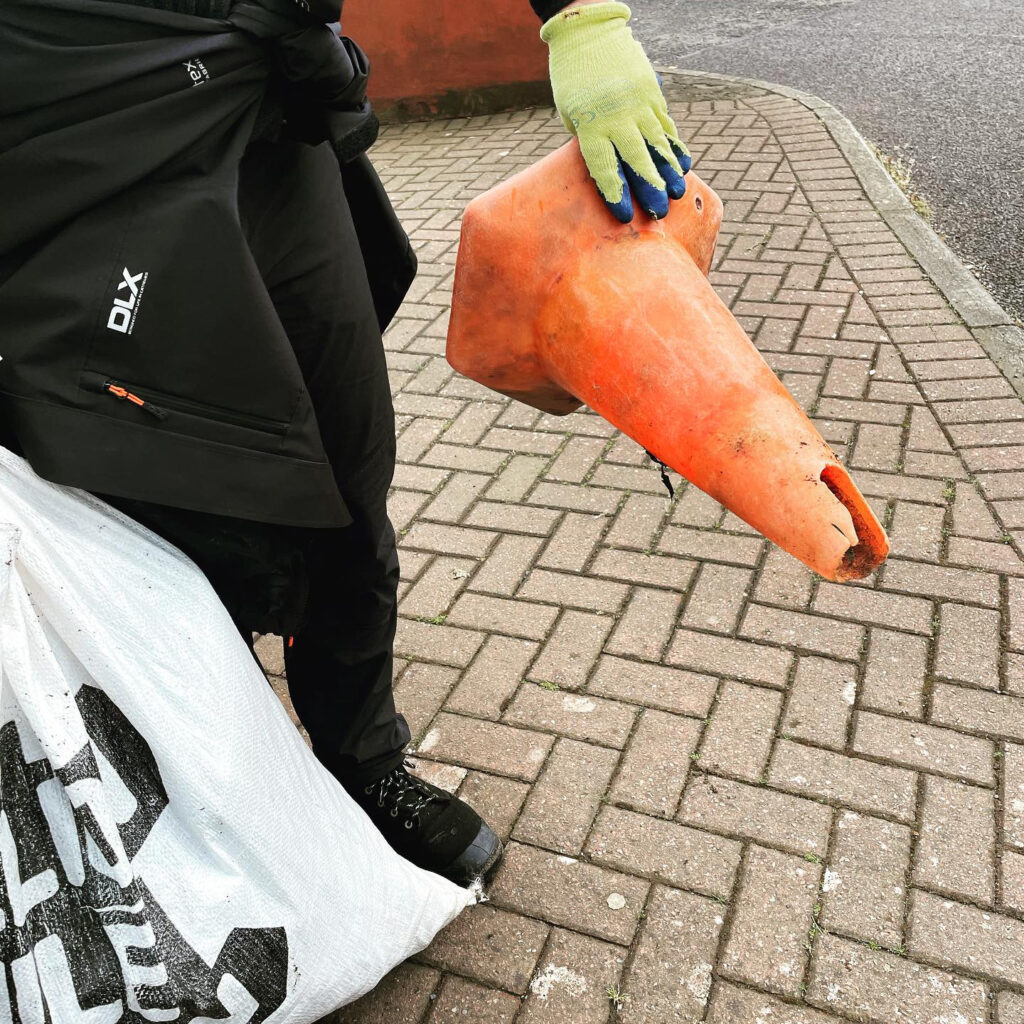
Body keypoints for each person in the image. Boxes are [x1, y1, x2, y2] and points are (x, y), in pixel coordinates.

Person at [0, 0, 691, 885]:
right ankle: (213, 783)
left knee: (348, 471)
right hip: (73, 143)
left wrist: (579, 19)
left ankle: (363, 766)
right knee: (155, 493)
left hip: (266, 122)